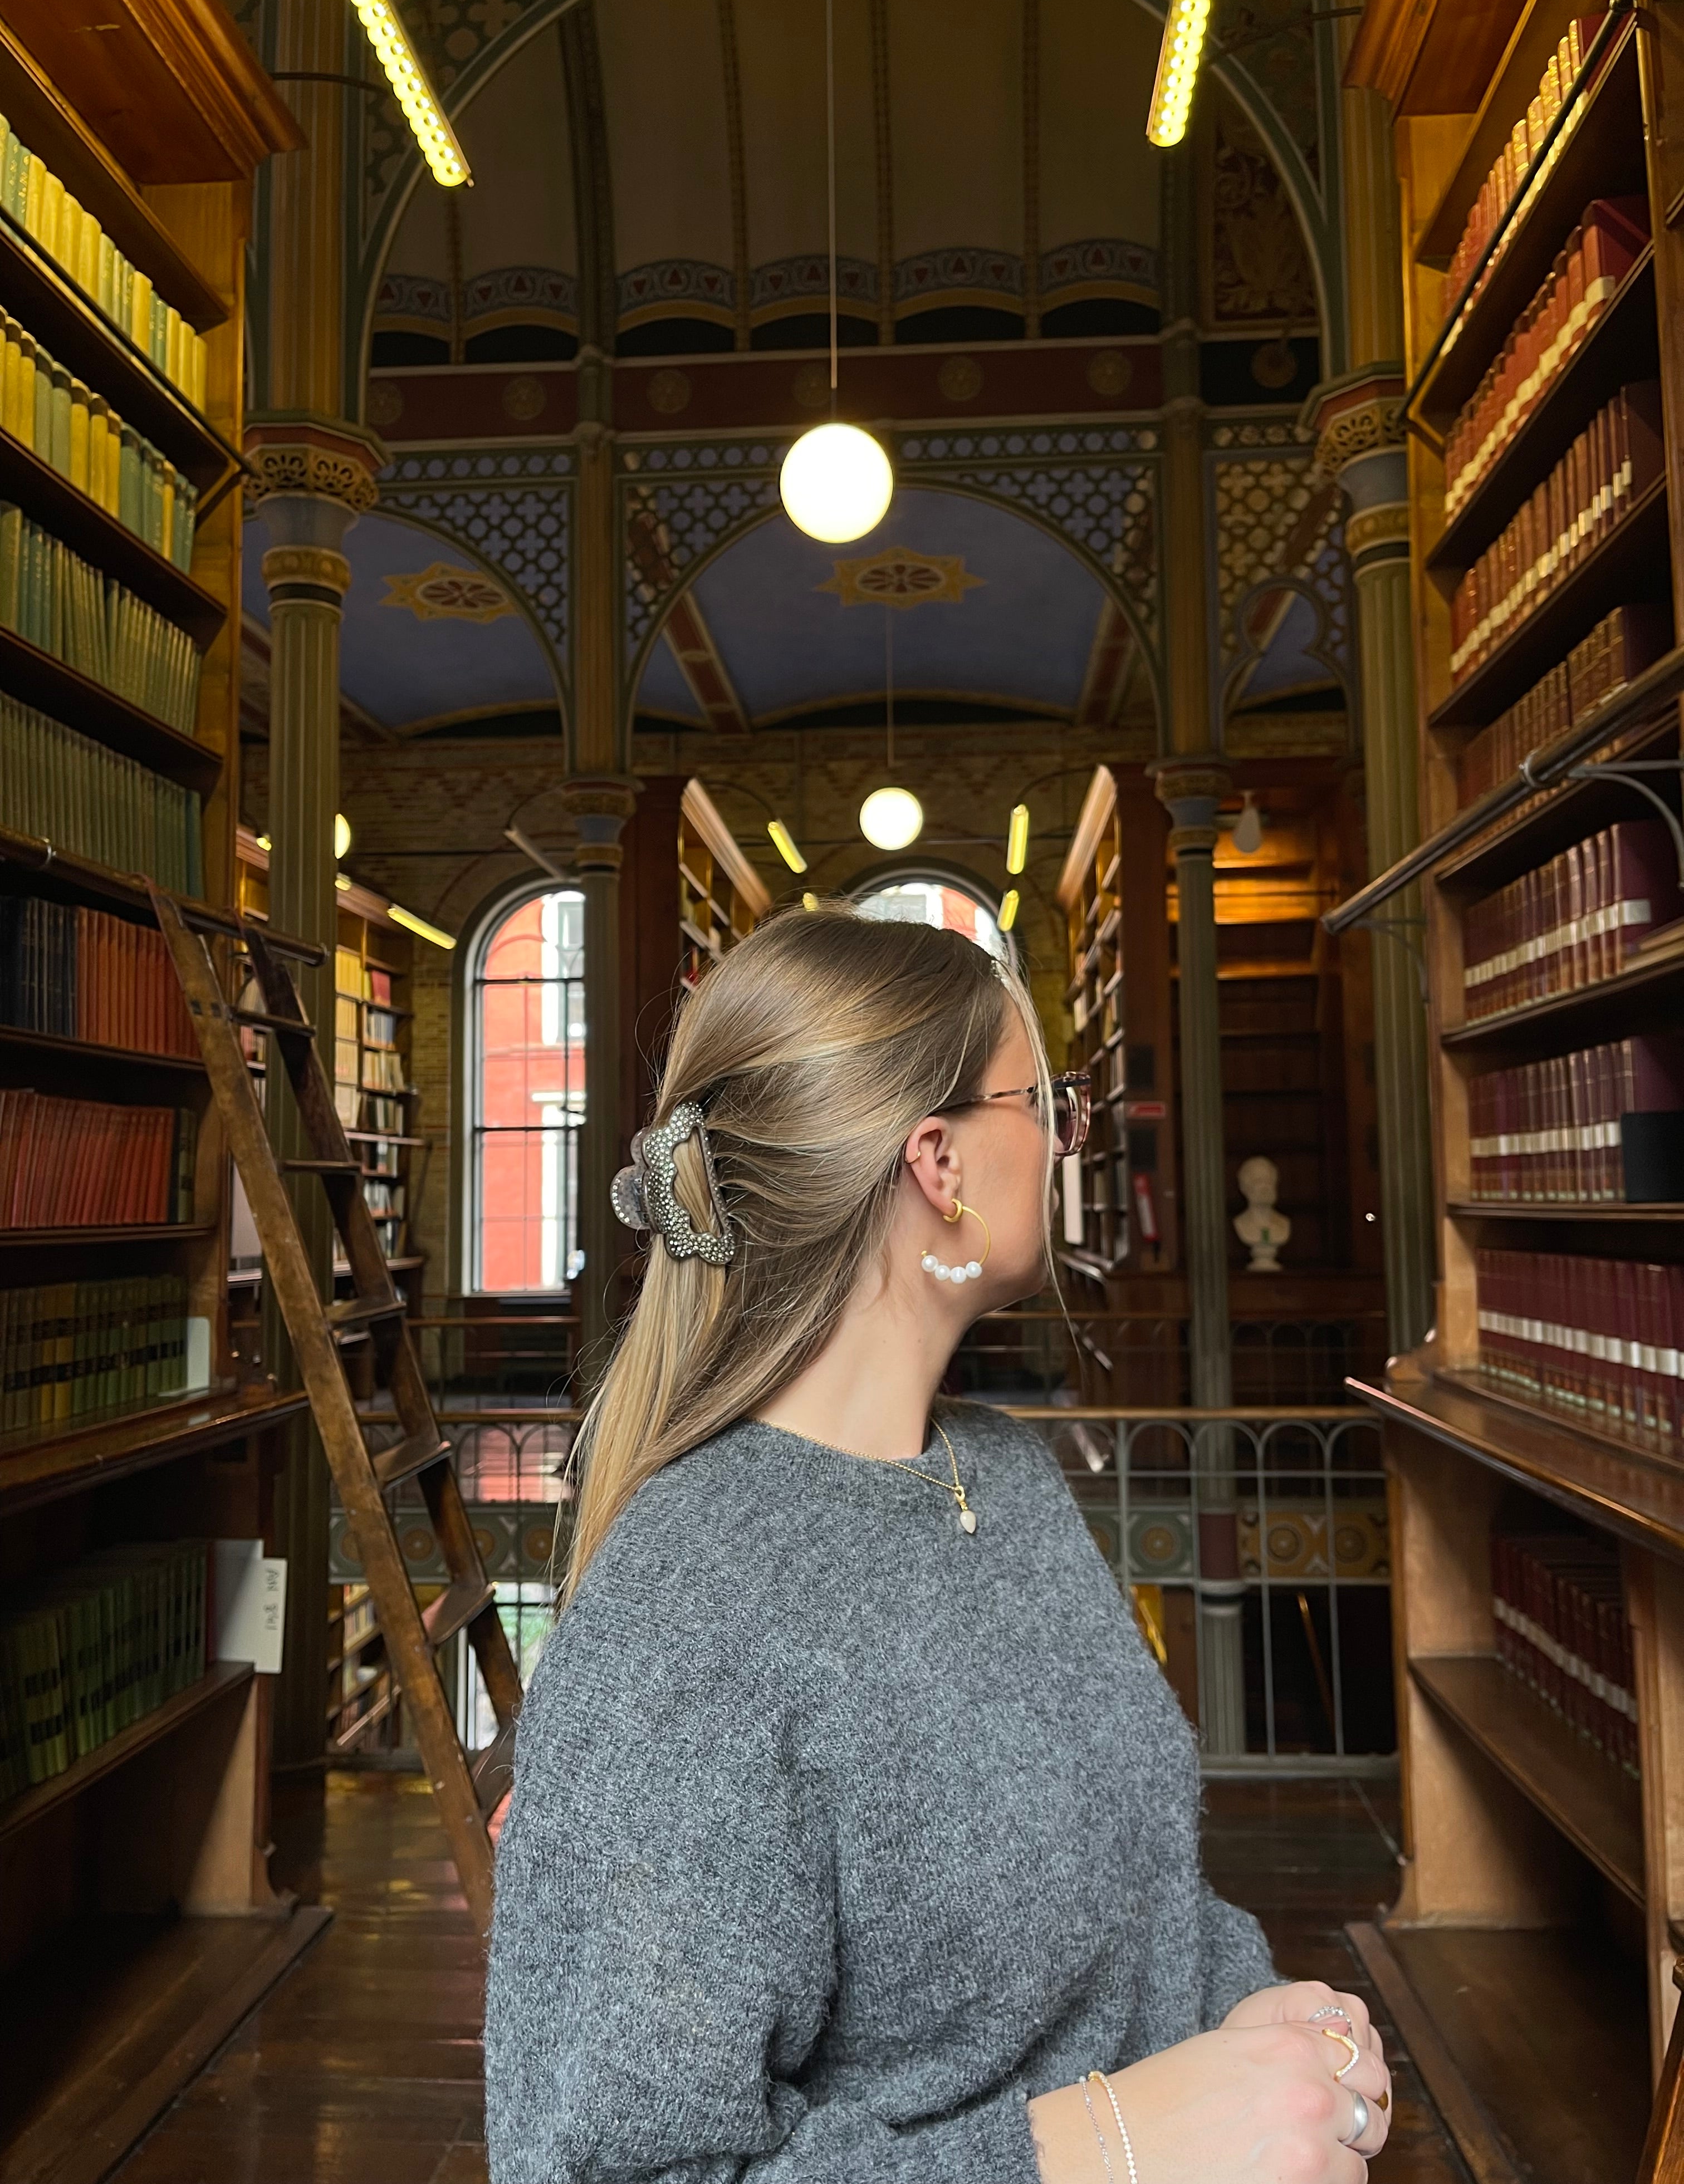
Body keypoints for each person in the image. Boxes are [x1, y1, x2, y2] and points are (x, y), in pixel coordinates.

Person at [484, 905, 1391, 2183]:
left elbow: (1126, 1894)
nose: (1068, 1138)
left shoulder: (1005, 1477)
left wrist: (1255, 2017)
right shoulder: (692, 1604)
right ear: (939, 1162)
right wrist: (1110, 2145)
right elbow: (612, 2169)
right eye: (1043, 1102)